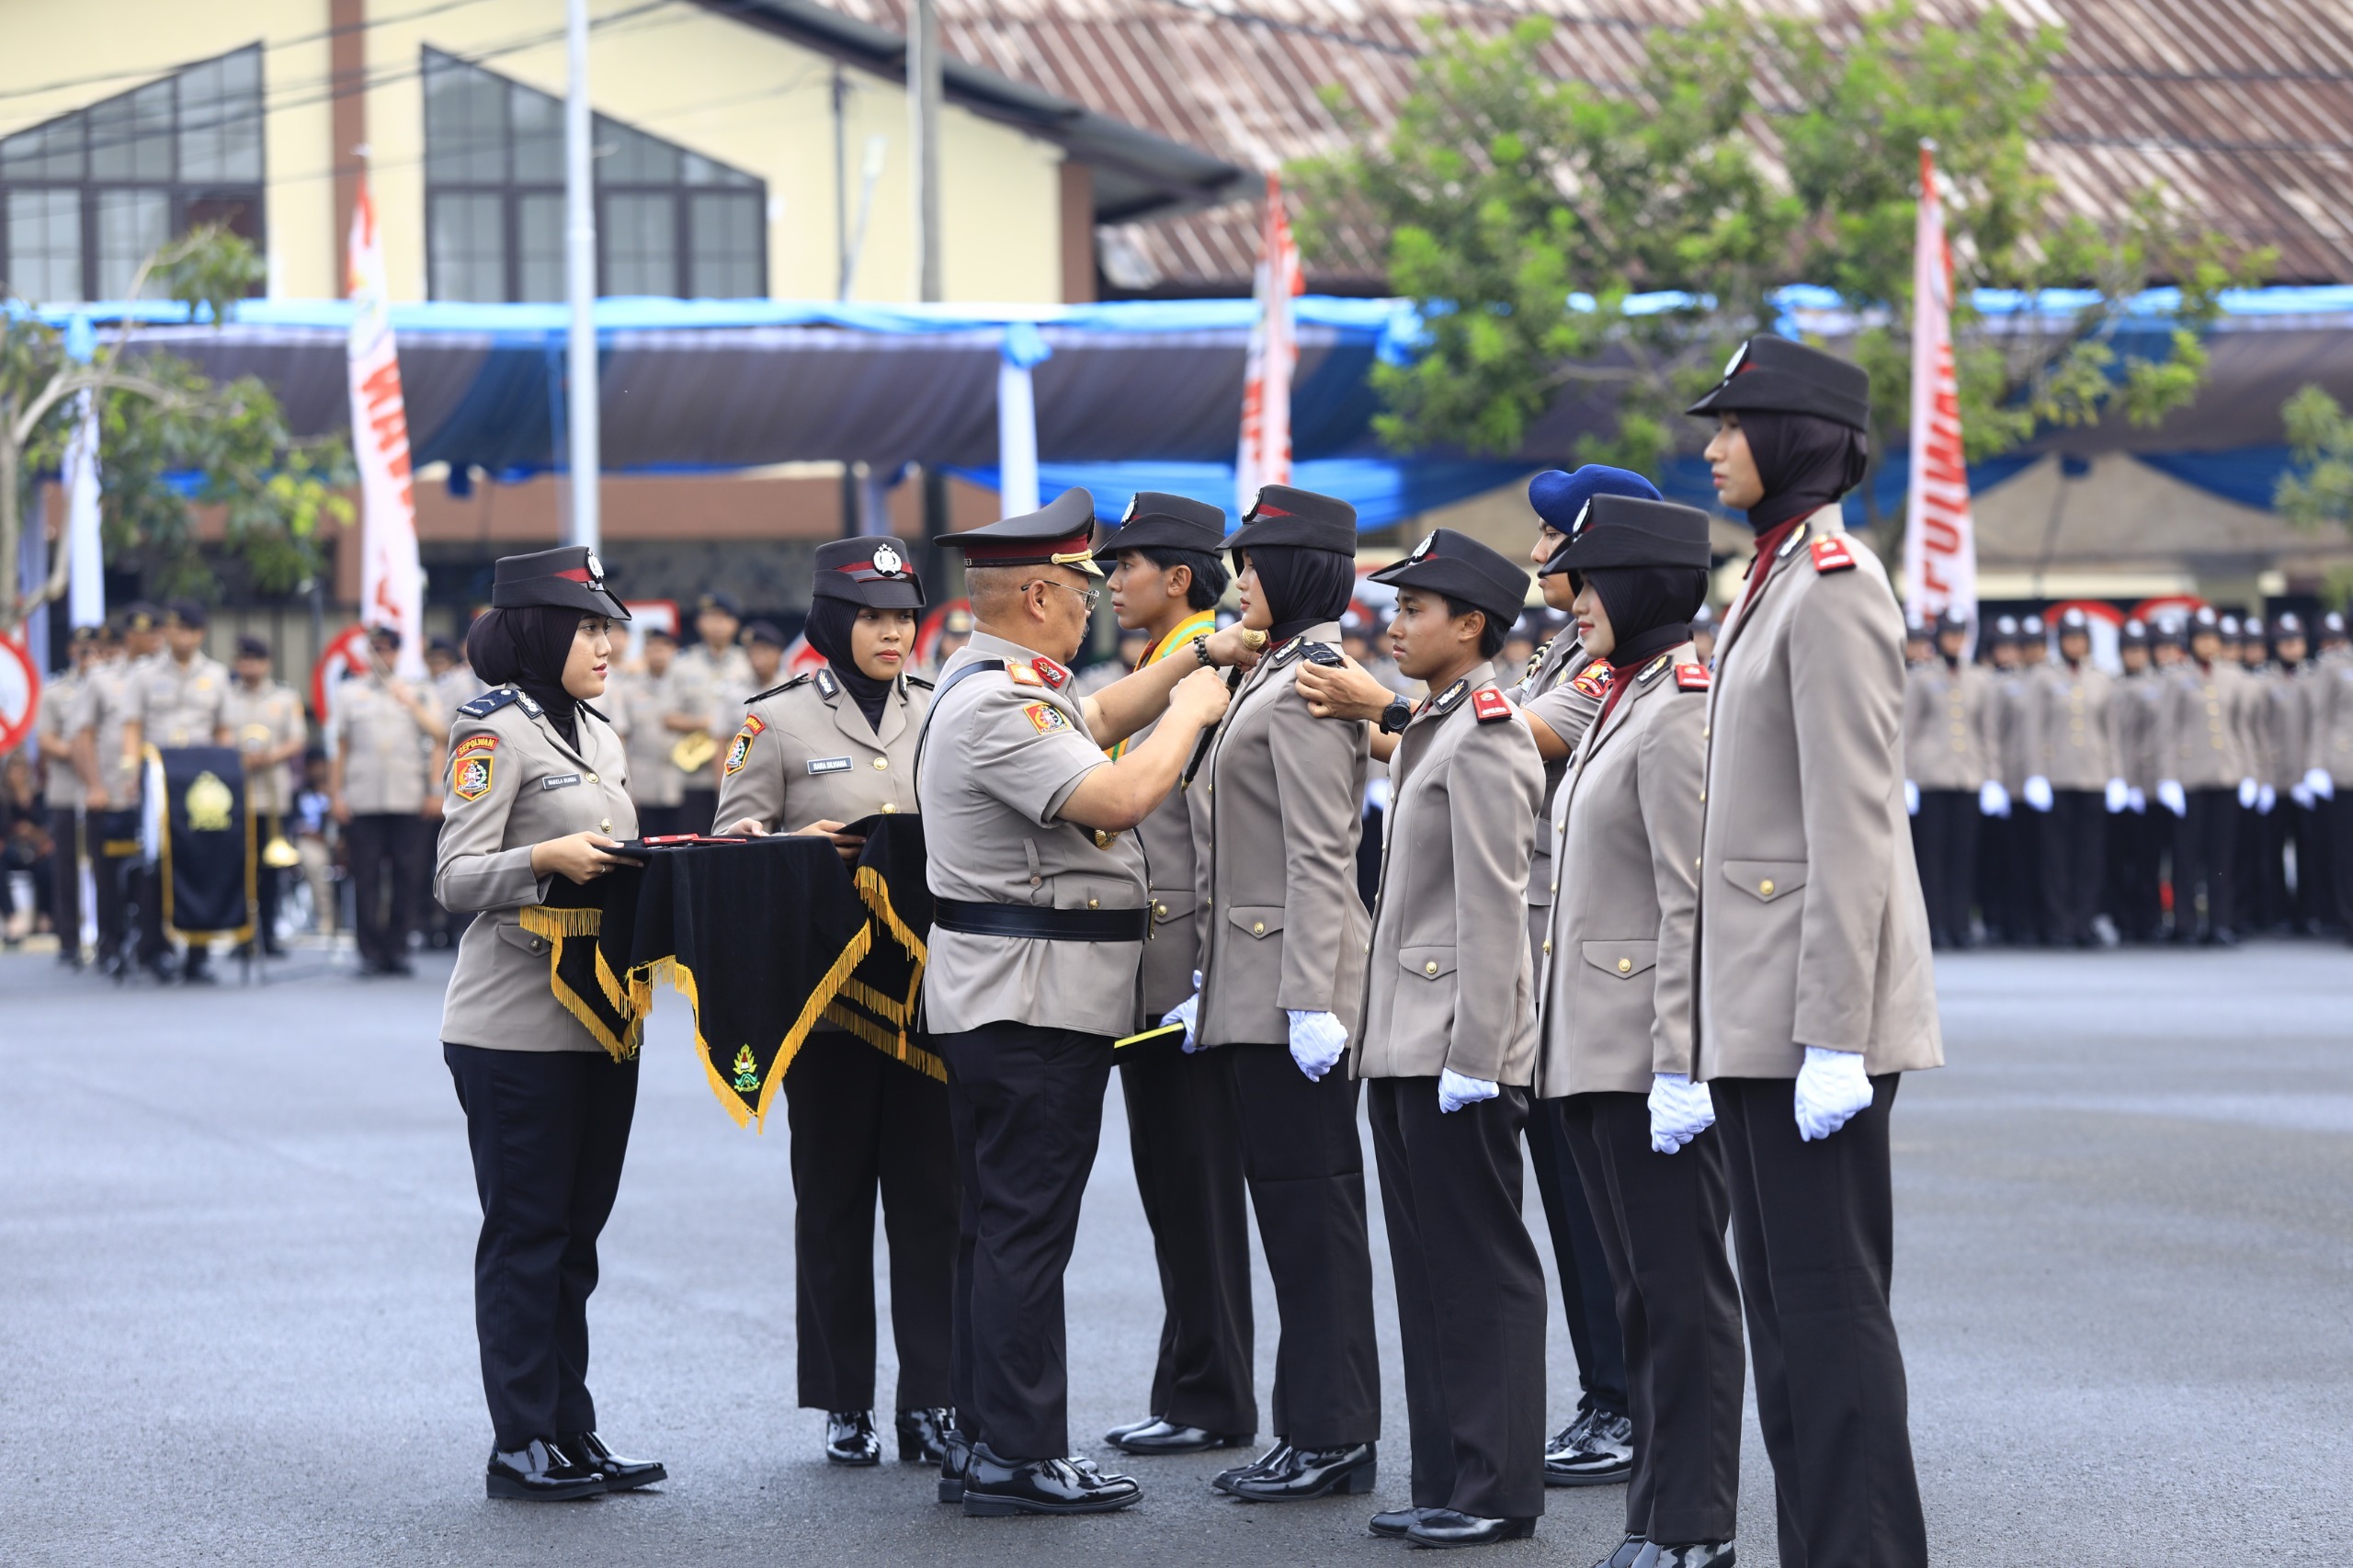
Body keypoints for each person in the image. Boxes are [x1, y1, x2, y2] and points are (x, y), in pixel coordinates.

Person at [916, 487, 1250, 1517]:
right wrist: (1195, 709)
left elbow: (1095, 719)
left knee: (996, 1226)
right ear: (1035, 593)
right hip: (1032, 1004)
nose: (1091, 609)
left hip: (1015, 999)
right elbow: (1110, 794)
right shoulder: (1000, 704)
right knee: (1025, 1230)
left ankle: (984, 1438)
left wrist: (1194, 658)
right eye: (1077, 592)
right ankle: (1019, 1453)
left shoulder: (1001, 686)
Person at [1685, 335, 1941, 1568]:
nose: (1712, 444)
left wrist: (1836, 1029)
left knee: (1830, 1322)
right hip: (1755, 1012)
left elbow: (1853, 823)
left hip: (1805, 1019)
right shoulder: (1776, 576)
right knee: (1787, 1327)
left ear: (1793, 436)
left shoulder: (1836, 584)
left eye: (1732, 423)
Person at [710, 538, 956, 1471]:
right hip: (829, 995)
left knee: (935, 1203)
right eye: (873, 614)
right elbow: (733, 840)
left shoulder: (940, 709)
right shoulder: (770, 721)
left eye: (904, 615)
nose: (894, 631)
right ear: (831, 618)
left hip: (931, 993)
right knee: (835, 1200)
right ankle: (844, 1397)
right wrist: (792, 846)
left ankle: (931, 1395)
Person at [1536, 492, 1740, 1568]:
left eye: (1591, 581)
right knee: (1637, 1296)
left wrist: (1682, 1060)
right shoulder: (1625, 695)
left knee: (1679, 1294)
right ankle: (1655, 1513)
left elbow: (1692, 900)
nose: (1572, 602)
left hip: (1644, 1053)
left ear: (1647, 587)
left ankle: (1694, 1523)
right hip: (1590, 1047)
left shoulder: (1681, 708)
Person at [435, 544, 665, 1502]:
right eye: (589, 626)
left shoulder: (597, 732)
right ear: (539, 629)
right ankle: (519, 1438)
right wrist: (544, 854)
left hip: (601, 1014)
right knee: (526, 1232)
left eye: (608, 626)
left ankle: (572, 1428)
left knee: (575, 1235)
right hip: (514, 1022)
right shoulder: (492, 732)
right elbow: (453, 878)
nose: (608, 643)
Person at [1175, 484, 1381, 1504]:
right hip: (1253, 984)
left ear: (1296, 569)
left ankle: (1333, 1432)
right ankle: (1314, 1424)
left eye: (1253, 562)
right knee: (1293, 1215)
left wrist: (1309, 996)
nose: (1237, 578)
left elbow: (1317, 854)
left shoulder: (1312, 678)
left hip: (1294, 992)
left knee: (1313, 1216)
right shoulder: (1281, 669)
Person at [1345, 527, 1548, 1548]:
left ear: (1470, 626)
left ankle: (1497, 1484)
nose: (1395, 619)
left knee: (1480, 1267)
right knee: (1427, 1270)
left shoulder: (1488, 732)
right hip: (1403, 1041)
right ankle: (1448, 1473)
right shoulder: (1436, 722)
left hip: (1451, 1049)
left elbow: (1495, 910)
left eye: (1415, 607)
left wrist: (1479, 1054)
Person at [1092, 494, 1259, 1461]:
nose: (1113, 583)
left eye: (1127, 566)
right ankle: (1201, 1381)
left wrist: (1201, 969)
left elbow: (1207, 835)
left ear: (1180, 578)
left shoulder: (1209, 666)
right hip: (1148, 970)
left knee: (1192, 1189)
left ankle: (1208, 1393)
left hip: (1182, 973)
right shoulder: (1164, 667)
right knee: (1176, 1189)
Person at [123, 600, 233, 981]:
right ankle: (155, 948)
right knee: (155, 863)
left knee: (202, 862)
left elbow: (224, 730)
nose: (179, 636)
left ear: (200, 633)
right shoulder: (144, 673)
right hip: (159, 780)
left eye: (187, 629)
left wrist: (226, 770)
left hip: (201, 784)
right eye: (173, 628)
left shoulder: (217, 675)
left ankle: (198, 952)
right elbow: (132, 725)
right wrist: (129, 768)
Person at [332, 626, 446, 976]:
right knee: (364, 876)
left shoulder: (420, 691)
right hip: (364, 797)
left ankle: (397, 947)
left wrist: (434, 791)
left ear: (398, 653)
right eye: (376, 649)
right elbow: (340, 747)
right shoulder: (350, 692)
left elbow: (441, 737)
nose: (382, 656)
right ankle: (368, 951)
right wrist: (336, 793)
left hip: (407, 796)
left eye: (389, 649)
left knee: (407, 875)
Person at [2155, 605, 2257, 945]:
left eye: (2213, 638)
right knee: (2186, 854)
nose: (2209, 645)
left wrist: (2250, 773)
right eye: (2202, 639)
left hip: (2227, 773)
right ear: (2191, 642)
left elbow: (2244, 729)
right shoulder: (2177, 677)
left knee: (2221, 855)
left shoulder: (2233, 677)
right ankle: (2184, 922)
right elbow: (2167, 730)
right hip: (2189, 776)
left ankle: (2220, 922)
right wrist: (2168, 777)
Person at [2027, 608, 2122, 947]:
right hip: (2058, 776)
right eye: (2069, 638)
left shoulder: (2100, 678)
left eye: (2080, 638)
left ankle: (2085, 920)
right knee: (2057, 856)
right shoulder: (2045, 678)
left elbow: (2111, 731)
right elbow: (2034, 728)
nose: (2075, 644)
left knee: (2090, 856)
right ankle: (2059, 922)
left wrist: (2117, 776)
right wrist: (2036, 774)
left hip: (2094, 776)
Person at [1903, 607, 1995, 949]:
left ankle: (1960, 924)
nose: (1956, 640)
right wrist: (1906, 777)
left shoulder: (1978, 679)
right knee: (1932, 856)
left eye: (1960, 634)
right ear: (1939, 638)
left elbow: (1987, 732)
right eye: (1950, 634)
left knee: (1962, 855)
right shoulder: (1922, 678)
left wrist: (1991, 777)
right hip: (1930, 776)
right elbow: (1908, 731)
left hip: (1968, 776)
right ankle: (1935, 923)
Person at [222, 636, 307, 957]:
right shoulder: (227, 696)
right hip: (237, 794)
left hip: (273, 795)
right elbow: (219, 734)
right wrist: (238, 759)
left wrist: (269, 757)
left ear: (267, 662)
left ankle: (268, 932)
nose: (250, 666)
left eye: (256, 660)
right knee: (238, 867)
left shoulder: (284, 697)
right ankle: (242, 934)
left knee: (271, 868)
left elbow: (297, 739)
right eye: (244, 660)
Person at [75, 619, 146, 974]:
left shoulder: (152, 677)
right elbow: (82, 738)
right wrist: (94, 786)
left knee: (148, 875)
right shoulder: (100, 680)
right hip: (112, 796)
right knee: (109, 876)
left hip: (152, 798)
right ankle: (111, 943)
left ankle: (151, 944)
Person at [37, 628, 96, 966]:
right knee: (66, 868)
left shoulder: (116, 686)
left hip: (106, 787)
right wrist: (78, 753)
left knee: (106, 866)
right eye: (83, 648)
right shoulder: (57, 691)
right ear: (72, 649)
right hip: (67, 788)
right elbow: (46, 739)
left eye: (96, 649)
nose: (89, 655)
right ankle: (69, 939)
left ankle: (110, 935)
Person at [673, 590, 751, 833]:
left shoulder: (748, 663)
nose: (718, 624)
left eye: (724, 617)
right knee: (693, 839)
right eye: (711, 617)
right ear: (698, 623)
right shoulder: (682, 664)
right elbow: (668, 716)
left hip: (740, 771)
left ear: (735, 623)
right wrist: (708, 723)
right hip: (694, 774)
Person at [612, 625, 699, 839]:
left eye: (664, 646)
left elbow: (710, 722)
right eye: (652, 646)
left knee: (686, 843)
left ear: (675, 651)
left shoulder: (688, 686)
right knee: (649, 845)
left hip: (685, 781)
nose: (658, 652)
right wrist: (626, 789)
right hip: (644, 784)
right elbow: (622, 739)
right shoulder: (629, 688)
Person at [2268, 614, 2325, 934]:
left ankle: (2309, 912)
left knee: (2309, 849)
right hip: (2276, 779)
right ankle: (2280, 912)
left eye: (2298, 642)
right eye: (2287, 643)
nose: (2293, 648)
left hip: (2308, 777)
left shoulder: (2315, 679)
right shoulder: (2267, 682)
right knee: (2273, 850)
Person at [2109, 621, 2165, 942]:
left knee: (2149, 858)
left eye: (2141, 649)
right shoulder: (2111, 686)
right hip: (2120, 784)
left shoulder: (2159, 685)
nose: (2136, 655)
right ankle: (2122, 918)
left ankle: (2150, 918)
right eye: (2130, 650)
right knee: (2118, 857)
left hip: (2150, 784)